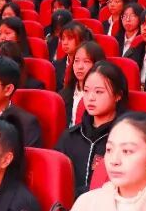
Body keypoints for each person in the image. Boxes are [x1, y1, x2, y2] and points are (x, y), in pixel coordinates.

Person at [55, 60, 128, 197]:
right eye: (86, 91)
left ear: (118, 95)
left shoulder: (126, 140)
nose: (90, 98)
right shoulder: (69, 137)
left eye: (99, 92)